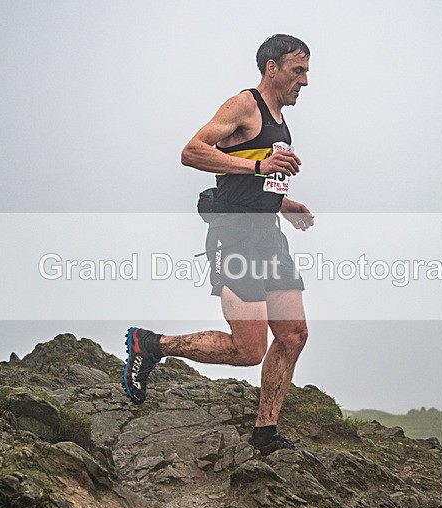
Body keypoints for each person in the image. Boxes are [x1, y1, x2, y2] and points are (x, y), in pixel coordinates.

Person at [123, 34, 315, 456]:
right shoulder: (243, 105)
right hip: (235, 235)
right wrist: (259, 164)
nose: (305, 80)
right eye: (297, 70)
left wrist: (283, 202)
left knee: (293, 335)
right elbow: (192, 152)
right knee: (249, 349)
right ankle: (150, 344)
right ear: (271, 68)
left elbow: (247, 181)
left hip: (268, 234)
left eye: (306, 71)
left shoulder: (281, 120)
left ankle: (265, 433)